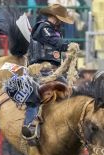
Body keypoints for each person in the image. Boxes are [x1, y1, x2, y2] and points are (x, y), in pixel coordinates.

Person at [23, 4, 74, 140]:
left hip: (53, 70)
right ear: (55, 17)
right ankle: (29, 127)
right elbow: (54, 41)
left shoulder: (54, 30)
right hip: (39, 69)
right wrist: (69, 45)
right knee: (35, 95)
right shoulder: (43, 28)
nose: (62, 22)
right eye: (61, 19)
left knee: (71, 92)